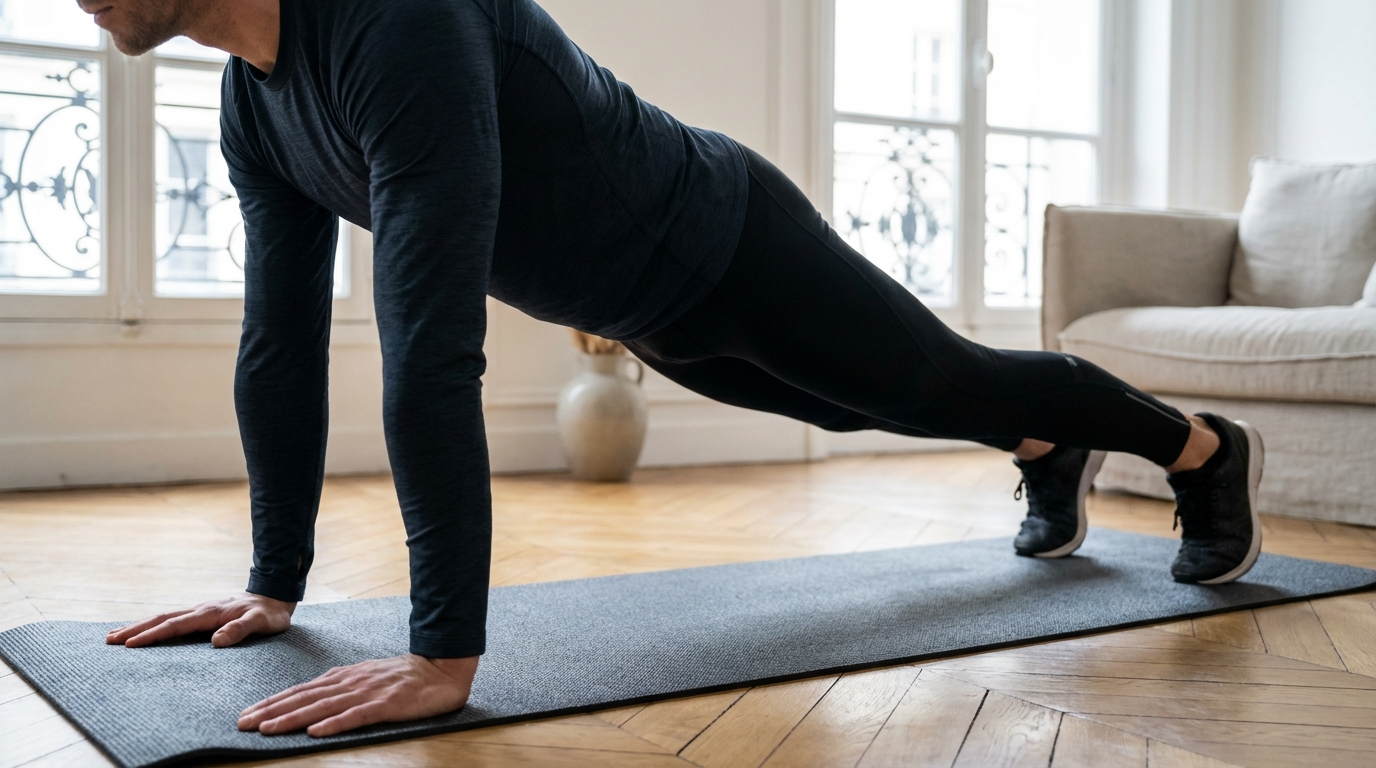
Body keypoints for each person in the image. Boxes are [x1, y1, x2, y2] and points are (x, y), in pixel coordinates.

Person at [84, 0, 1264, 739]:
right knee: (860, 412)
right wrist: (271, 584)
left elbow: (430, 347)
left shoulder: (398, 23)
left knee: (929, 383)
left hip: (731, 240)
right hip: (649, 308)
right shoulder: (255, 105)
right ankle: (1044, 445)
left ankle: (1201, 451)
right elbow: (281, 348)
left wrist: (445, 652)